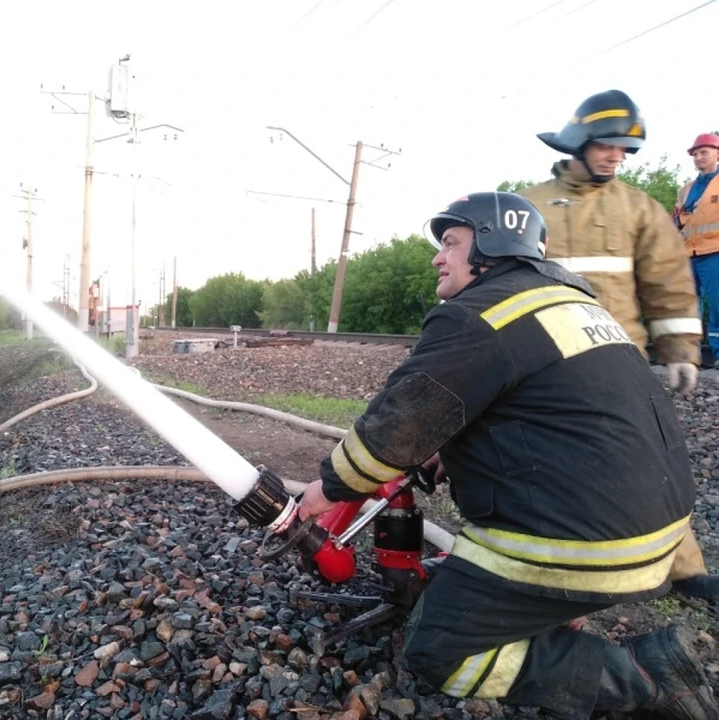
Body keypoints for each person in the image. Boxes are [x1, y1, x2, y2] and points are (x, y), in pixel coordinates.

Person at [297, 192, 716, 720]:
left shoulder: (476, 315)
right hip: (658, 531)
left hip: (590, 552)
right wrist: (457, 450)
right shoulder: (573, 305)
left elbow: (395, 430)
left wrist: (327, 488)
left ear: (491, 246)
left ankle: (641, 676)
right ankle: (548, 615)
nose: (437, 257)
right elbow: (557, 413)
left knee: (440, 650)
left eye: (450, 242)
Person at [517, 89, 719, 602]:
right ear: (580, 142)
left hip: (619, 362)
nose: (616, 156)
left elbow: (669, 282)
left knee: (652, 461)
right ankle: (542, 569)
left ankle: (685, 570)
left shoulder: (639, 209)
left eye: (625, 150)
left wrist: (681, 350)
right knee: (540, 464)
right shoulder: (532, 205)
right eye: (608, 145)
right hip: (545, 363)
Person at [675, 132, 719, 368]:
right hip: (688, 254)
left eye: (704, 152)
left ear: (717, 154)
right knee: (687, 306)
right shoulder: (686, 189)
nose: (698, 157)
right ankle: (689, 356)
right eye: (695, 153)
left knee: (718, 304)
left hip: (715, 252)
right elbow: (677, 221)